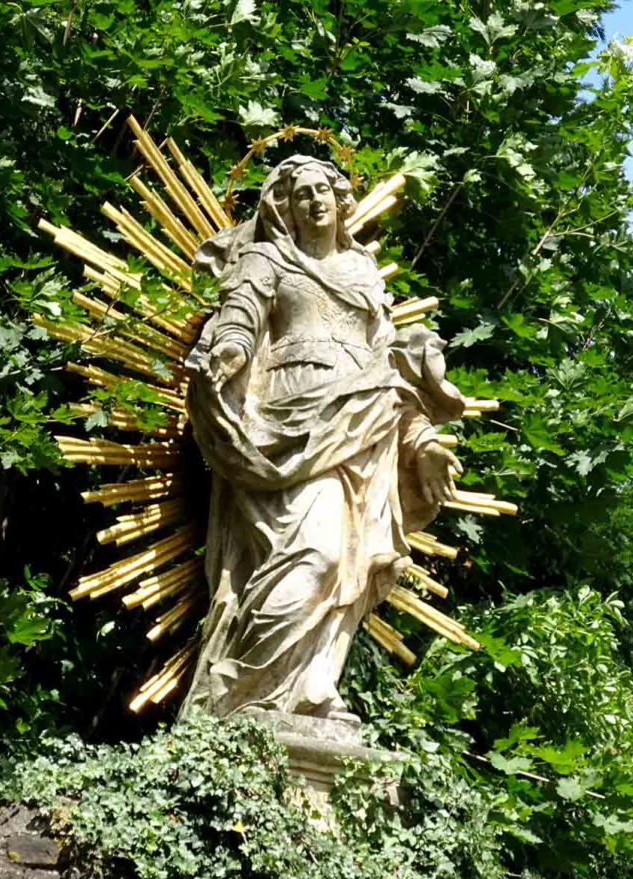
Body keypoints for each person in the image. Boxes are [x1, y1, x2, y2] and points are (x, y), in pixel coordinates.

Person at [181, 154, 463, 722]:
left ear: (340, 203)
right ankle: (234, 697)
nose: (313, 202)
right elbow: (240, 318)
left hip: (363, 422)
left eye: (322, 192)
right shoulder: (267, 259)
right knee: (317, 553)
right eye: (300, 194)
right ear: (284, 206)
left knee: (349, 562)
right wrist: (229, 351)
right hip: (286, 424)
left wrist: (425, 441)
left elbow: (395, 375)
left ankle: (313, 689)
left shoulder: (362, 275)